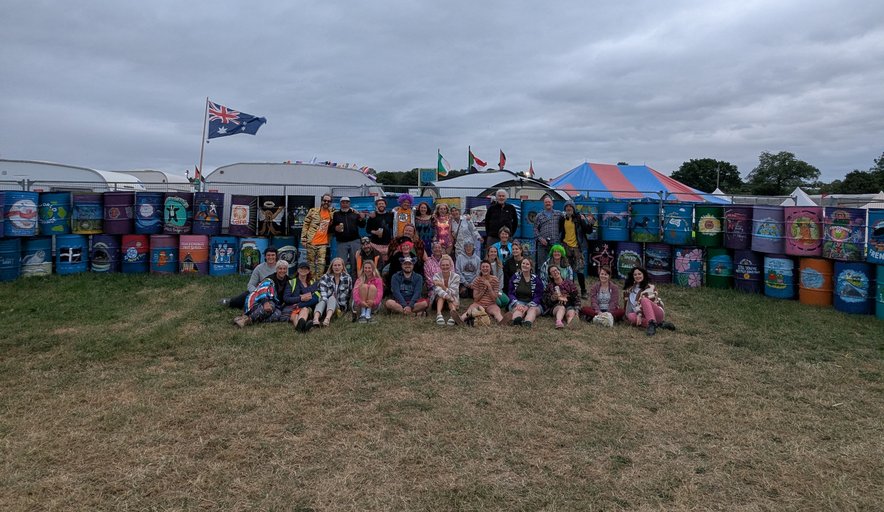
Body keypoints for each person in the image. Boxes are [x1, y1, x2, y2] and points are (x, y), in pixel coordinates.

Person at [233, 260, 290, 327]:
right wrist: (265, 302)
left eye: (284, 269)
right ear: (276, 269)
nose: (282, 271)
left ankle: (247, 319)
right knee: (271, 305)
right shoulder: (269, 279)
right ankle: (246, 319)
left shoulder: (288, 280)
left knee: (278, 314)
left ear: (287, 270)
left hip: (276, 304)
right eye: (280, 268)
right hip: (260, 301)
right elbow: (262, 290)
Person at [623, 266, 676, 336]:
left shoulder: (650, 287)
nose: (637, 276)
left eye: (639, 274)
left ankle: (651, 323)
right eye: (635, 275)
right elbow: (628, 306)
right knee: (630, 316)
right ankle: (658, 324)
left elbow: (648, 303)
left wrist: (639, 314)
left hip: (656, 313)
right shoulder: (629, 290)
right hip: (642, 315)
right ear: (632, 276)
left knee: (644, 300)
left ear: (644, 275)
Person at [559, 201, 594, 297]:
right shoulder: (563, 219)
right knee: (568, 270)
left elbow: (588, 231)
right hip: (566, 247)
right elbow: (560, 230)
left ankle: (583, 291)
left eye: (570, 206)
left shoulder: (579, 218)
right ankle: (570, 290)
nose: (568, 208)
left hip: (577, 247)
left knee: (580, 270)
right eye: (567, 207)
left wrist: (590, 222)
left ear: (574, 208)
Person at [330, 196, 366, 276]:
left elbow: (362, 225)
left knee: (355, 263)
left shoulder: (355, 213)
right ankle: (342, 280)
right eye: (343, 202)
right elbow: (330, 228)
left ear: (349, 204)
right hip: (341, 242)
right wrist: (335, 228)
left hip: (355, 241)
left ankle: (355, 281)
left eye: (347, 202)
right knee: (341, 263)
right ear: (340, 204)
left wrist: (362, 219)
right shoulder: (335, 214)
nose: (345, 204)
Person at [460, 260, 504, 324]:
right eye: (483, 267)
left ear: (490, 269)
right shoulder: (477, 280)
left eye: (487, 267)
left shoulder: (495, 280)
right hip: (479, 303)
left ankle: (502, 321)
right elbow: (476, 299)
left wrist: (489, 286)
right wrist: (483, 289)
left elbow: (494, 298)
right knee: (469, 311)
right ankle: (461, 319)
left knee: (497, 312)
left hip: (491, 304)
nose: (485, 268)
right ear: (480, 269)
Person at [313, 257, 353, 327]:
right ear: (331, 267)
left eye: (339, 265)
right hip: (325, 305)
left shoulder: (347, 278)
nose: (337, 267)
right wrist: (329, 300)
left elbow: (350, 293)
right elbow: (323, 295)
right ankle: (316, 319)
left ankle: (327, 319)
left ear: (343, 267)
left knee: (332, 298)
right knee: (323, 300)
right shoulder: (325, 277)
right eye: (335, 265)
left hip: (340, 307)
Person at [301, 193, 334, 277]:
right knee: (311, 263)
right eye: (325, 200)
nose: (326, 202)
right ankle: (311, 280)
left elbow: (343, 211)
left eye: (329, 201)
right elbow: (305, 225)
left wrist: (352, 210)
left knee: (321, 263)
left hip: (323, 243)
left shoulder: (332, 213)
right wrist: (304, 239)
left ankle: (319, 280)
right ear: (321, 201)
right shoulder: (313, 211)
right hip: (311, 241)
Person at [283, 261, 320, 332]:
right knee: (294, 315)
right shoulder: (291, 282)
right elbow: (286, 298)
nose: (303, 270)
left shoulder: (313, 282)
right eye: (301, 268)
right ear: (298, 270)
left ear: (308, 271)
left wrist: (300, 304)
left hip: (305, 306)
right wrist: (301, 298)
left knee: (305, 309)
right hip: (292, 306)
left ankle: (300, 326)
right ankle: (302, 328)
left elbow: (316, 297)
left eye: (306, 268)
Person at [507, 257, 544, 328]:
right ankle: (516, 320)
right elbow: (510, 293)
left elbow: (539, 295)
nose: (525, 265)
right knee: (519, 309)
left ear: (531, 267)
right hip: (518, 301)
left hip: (533, 303)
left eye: (527, 264)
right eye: (523, 263)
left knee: (532, 310)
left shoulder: (536, 279)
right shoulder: (515, 277)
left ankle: (527, 322)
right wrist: (517, 304)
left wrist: (528, 306)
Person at [533, 194, 563, 268]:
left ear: (552, 203)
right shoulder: (539, 216)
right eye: (546, 202)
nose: (548, 203)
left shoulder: (559, 214)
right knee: (542, 265)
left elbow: (566, 220)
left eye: (549, 202)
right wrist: (540, 239)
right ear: (544, 204)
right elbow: (535, 229)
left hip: (555, 244)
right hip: (542, 245)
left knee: (555, 264)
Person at [432, 254, 462, 326]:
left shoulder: (456, 277)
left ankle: (453, 315)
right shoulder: (436, 276)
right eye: (443, 265)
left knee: (448, 295)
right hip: (438, 301)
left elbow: (453, 292)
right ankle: (439, 314)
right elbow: (438, 291)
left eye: (447, 265)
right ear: (440, 266)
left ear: (451, 266)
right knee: (441, 295)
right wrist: (449, 297)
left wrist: (442, 285)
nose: (445, 267)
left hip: (452, 300)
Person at [365, 197, 394, 266]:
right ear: (376, 206)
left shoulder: (390, 215)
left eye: (382, 203)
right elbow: (367, 230)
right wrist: (375, 232)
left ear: (385, 205)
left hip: (387, 244)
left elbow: (393, 227)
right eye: (379, 204)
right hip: (375, 244)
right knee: (376, 263)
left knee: (387, 264)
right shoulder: (372, 216)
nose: (381, 205)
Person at [353, 259, 383, 323]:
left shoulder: (378, 280)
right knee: (364, 286)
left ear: (373, 269)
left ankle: (368, 314)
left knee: (372, 287)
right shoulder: (359, 279)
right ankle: (363, 314)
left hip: (373, 305)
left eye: (369, 268)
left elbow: (380, 293)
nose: (367, 270)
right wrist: (360, 302)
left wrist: (374, 302)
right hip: (360, 304)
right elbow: (355, 293)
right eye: (365, 268)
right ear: (363, 269)